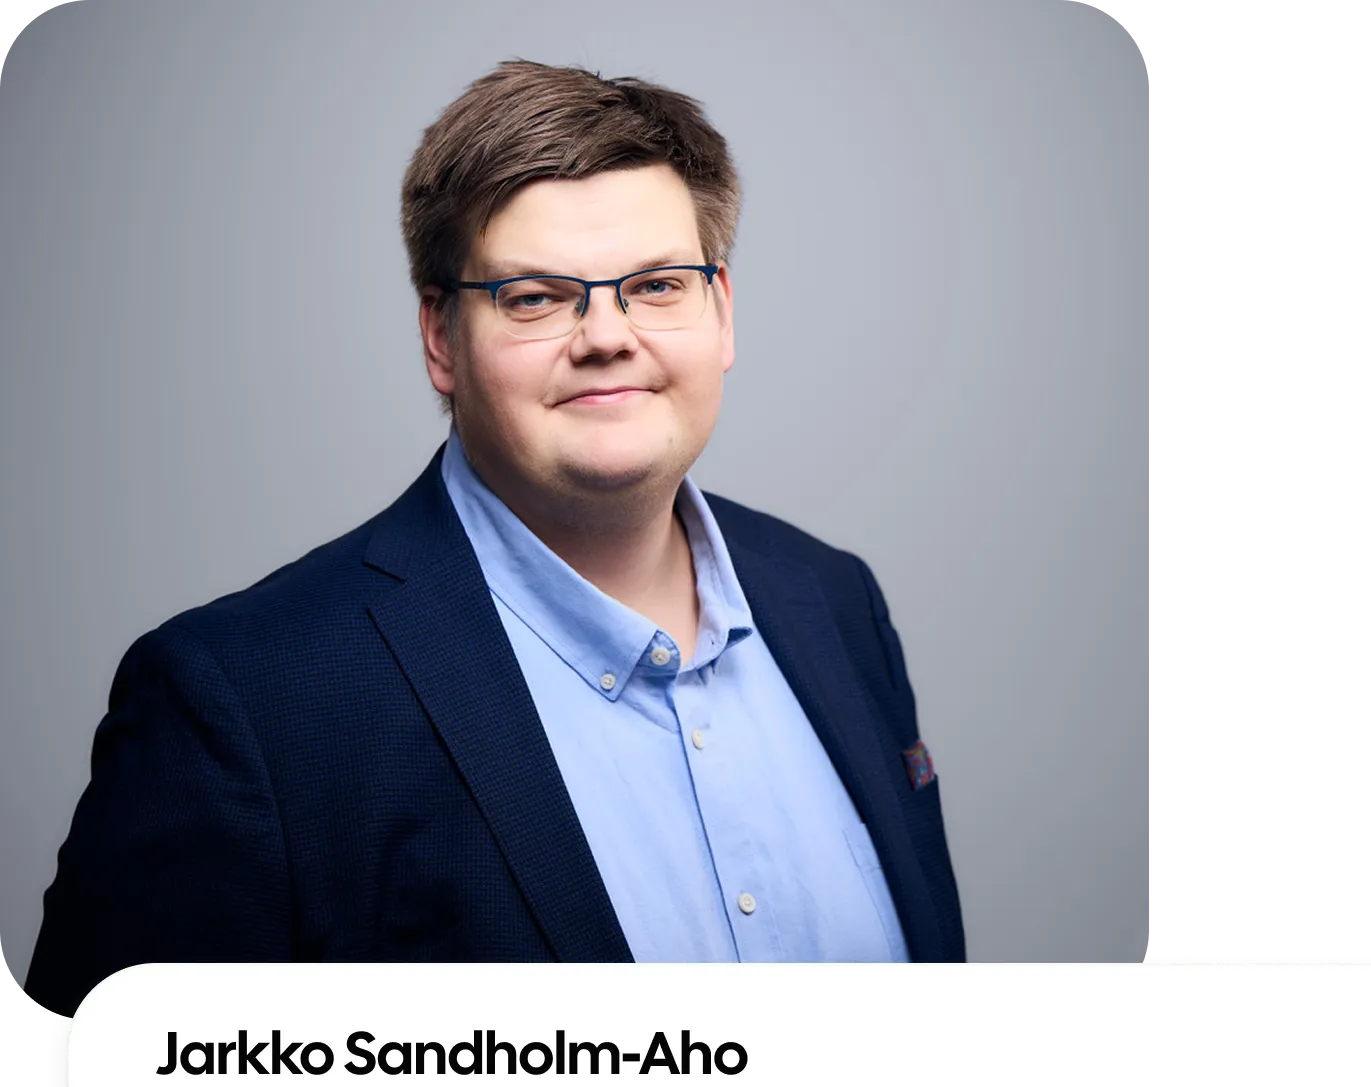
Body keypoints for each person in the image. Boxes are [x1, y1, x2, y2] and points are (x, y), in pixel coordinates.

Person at [25, 61, 963, 1017]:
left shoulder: (833, 601)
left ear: (721, 311)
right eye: (535, 298)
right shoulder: (248, 704)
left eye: (656, 284)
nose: (607, 334)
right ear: (441, 337)